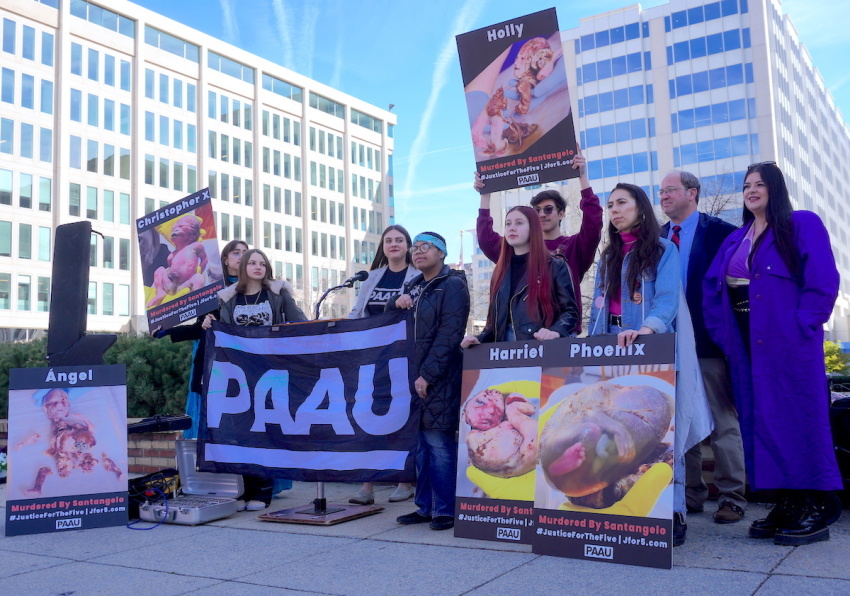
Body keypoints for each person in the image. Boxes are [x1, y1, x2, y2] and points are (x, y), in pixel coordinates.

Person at [703, 162, 841, 546]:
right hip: (747, 346)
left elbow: (823, 279)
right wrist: (725, 340)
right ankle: (784, 502)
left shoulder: (801, 223)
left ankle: (811, 505)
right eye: (746, 185)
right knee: (759, 422)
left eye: (760, 184)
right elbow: (712, 288)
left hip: (789, 342)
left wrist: (803, 325)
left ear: (775, 189)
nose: (751, 190)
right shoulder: (736, 238)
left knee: (798, 419)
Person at [588, 183, 712, 547]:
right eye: (610, 205)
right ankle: (616, 506)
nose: (614, 210)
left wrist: (647, 329)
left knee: (665, 431)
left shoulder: (662, 250)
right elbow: (598, 306)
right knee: (613, 423)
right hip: (611, 349)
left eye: (621, 203)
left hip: (651, 346)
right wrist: (590, 347)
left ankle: (673, 511)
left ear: (641, 208)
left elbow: (669, 299)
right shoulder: (608, 255)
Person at [659, 170, 748, 524]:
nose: (663, 196)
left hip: (711, 344)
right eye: (661, 191)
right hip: (670, 346)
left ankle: (732, 496)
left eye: (670, 190)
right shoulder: (657, 239)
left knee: (723, 422)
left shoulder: (722, 234)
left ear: (692, 193)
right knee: (682, 422)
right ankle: (689, 494)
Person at [203, 248, 307, 510]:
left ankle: (262, 491)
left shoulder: (277, 293)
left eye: (263, 263)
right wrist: (208, 322)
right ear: (243, 268)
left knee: (265, 428)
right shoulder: (228, 298)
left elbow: (299, 322)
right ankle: (244, 490)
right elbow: (220, 331)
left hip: (270, 370)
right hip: (239, 372)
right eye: (253, 263)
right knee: (239, 431)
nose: (258, 267)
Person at [390, 232, 470, 531]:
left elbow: (450, 335)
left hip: (440, 377)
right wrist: (395, 302)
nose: (418, 252)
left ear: (442, 253)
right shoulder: (413, 286)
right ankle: (425, 507)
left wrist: (428, 374)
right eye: (416, 248)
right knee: (421, 445)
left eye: (426, 247)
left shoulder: (452, 286)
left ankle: (446, 509)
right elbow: (388, 320)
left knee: (438, 442)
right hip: (412, 377)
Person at [475, 145, 602, 331]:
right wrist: (485, 195)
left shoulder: (573, 247)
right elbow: (486, 239)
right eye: (536, 211)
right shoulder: (517, 247)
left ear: (561, 214)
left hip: (560, 335)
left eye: (548, 209)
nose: (542, 214)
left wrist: (582, 177)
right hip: (520, 335)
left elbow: (593, 223)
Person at [348, 225, 419, 505]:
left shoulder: (417, 275)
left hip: (405, 356)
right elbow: (357, 312)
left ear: (407, 245)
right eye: (388, 240)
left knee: (403, 415)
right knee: (370, 415)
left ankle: (405, 479)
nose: (393, 244)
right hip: (373, 359)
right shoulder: (373, 277)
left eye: (399, 240)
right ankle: (368, 483)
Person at [153, 239, 248, 439]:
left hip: (243, 359)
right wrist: (166, 330)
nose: (241, 257)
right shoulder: (210, 288)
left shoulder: (253, 288)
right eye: (236, 253)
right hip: (213, 360)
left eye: (245, 253)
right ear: (225, 258)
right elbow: (200, 328)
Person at [461, 205, 578, 347]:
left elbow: (570, 312)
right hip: (503, 352)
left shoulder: (555, 265)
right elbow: (493, 324)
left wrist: (555, 331)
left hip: (542, 349)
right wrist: (480, 339)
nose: (512, 228)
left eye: (519, 223)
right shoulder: (500, 271)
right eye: (508, 224)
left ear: (533, 227)